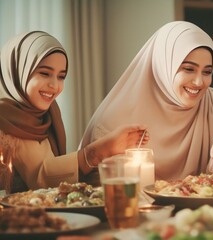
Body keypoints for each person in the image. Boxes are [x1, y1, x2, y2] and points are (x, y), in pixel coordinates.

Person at [79, 21, 213, 181]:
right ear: (163, 65)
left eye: (207, 71)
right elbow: (97, 189)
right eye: (189, 69)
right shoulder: (115, 117)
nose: (199, 82)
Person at [0, 31, 148, 193]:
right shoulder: (5, 118)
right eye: (44, 73)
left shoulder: (47, 113)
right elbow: (40, 178)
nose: (54, 85)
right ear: (17, 70)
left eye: (61, 76)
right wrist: (98, 151)